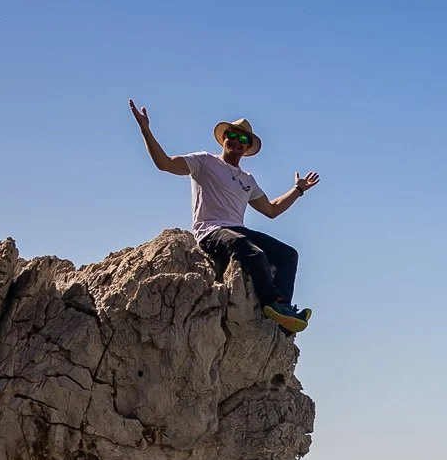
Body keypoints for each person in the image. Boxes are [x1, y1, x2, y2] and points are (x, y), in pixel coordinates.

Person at [129, 100, 320, 333]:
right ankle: (272, 305)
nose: (236, 142)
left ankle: (284, 311)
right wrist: (145, 130)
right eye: (232, 135)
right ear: (224, 138)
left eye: (243, 140)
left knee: (289, 254)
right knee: (251, 251)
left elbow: (272, 210)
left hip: (238, 230)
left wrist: (297, 190)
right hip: (210, 231)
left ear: (247, 148)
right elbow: (165, 164)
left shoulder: (247, 179)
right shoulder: (204, 162)